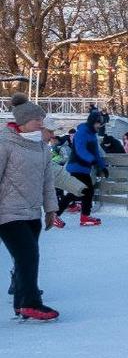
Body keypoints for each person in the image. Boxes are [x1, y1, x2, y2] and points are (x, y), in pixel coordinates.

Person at [0, 94, 60, 321]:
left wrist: (51, 209)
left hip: (32, 212)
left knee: (26, 257)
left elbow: (48, 181)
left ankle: (21, 304)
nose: (41, 123)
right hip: (7, 212)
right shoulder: (5, 143)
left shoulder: (42, 147)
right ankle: (30, 302)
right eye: (37, 119)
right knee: (28, 255)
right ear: (23, 122)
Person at [66, 109, 108, 226]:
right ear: (92, 122)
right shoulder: (82, 132)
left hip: (84, 168)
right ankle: (83, 216)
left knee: (82, 191)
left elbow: (96, 154)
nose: (100, 126)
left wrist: (102, 167)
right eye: (98, 123)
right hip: (75, 166)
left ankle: (83, 216)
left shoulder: (93, 136)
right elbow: (81, 150)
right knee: (84, 191)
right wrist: (92, 160)